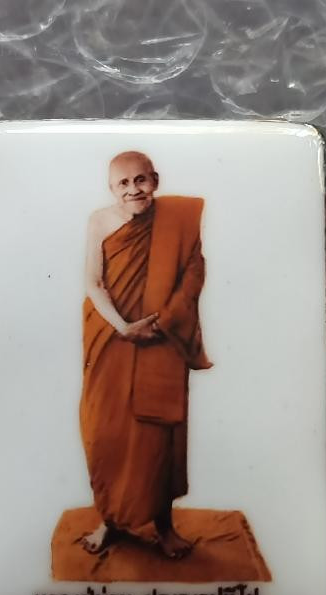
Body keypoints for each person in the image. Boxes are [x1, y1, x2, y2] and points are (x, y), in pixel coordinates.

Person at [80, 150, 212, 558]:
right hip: (111, 338)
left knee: (159, 436)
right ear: (111, 188)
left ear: (154, 180)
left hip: (161, 337)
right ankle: (110, 520)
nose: (133, 189)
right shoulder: (100, 221)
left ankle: (164, 526)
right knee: (105, 431)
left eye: (140, 180)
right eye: (123, 183)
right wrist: (123, 327)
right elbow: (93, 282)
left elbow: (194, 274)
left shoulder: (178, 220)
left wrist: (164, 322)